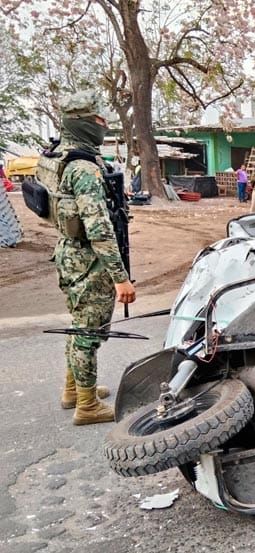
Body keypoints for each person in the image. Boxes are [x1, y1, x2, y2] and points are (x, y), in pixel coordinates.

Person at [39, 90, 136, 425]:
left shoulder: (57, 156)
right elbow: (99, 228)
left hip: (68, 255)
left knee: (79, 326)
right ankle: (87, 406)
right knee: (88, 333)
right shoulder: (83, 168)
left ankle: (75, 390)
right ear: (81, 122)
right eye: (98, 119)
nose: (103, 125)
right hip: (90, 261)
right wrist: (120, 277)